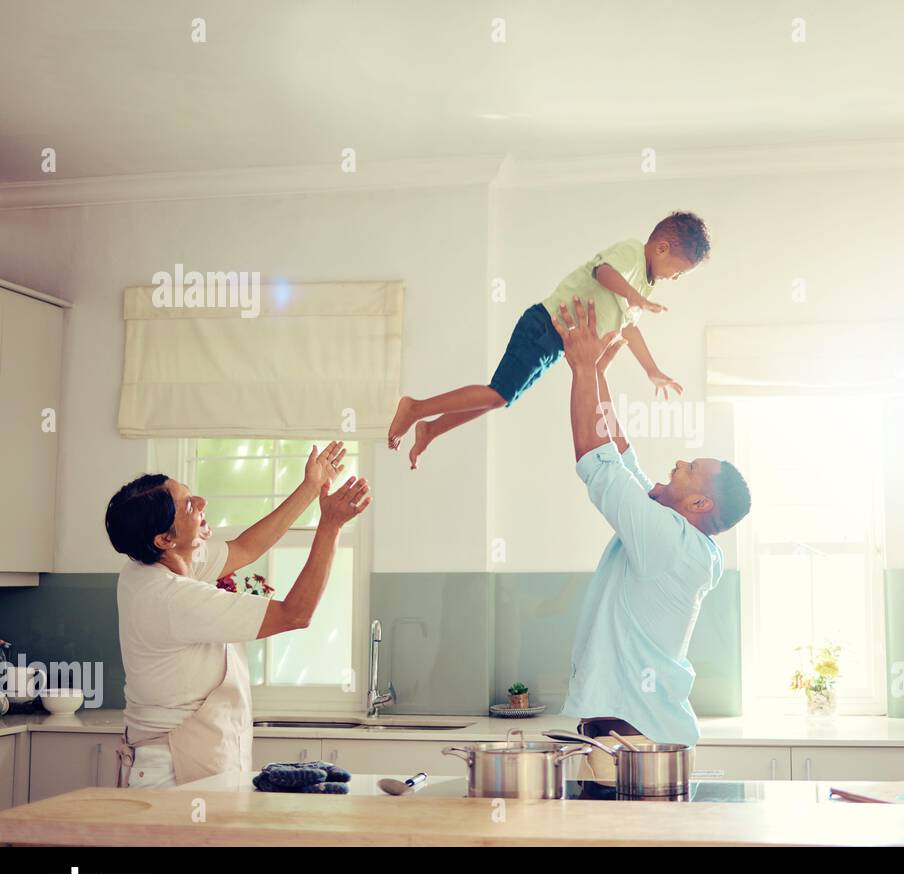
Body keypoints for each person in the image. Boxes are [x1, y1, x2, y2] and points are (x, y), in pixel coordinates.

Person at [550, 296, 751, 784]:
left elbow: (595, 461)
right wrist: (595, 371)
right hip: (640, 738)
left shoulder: (668, 541)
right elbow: (618, 449)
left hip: (630, 744)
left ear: (700, 505)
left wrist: (579, 366)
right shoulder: (683, 539)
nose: (679, 462)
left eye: (691, 469)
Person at [105, 442, 371, 788]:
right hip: (171, 770)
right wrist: (331, 526)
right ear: (164, 539)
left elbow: (246, 547)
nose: (201, 503)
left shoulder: (148, 567)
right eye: (188, 505)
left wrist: (310, 487)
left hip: (187, 756)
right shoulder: (173, 599)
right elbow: (295, 614)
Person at [386, 211, 710, 468]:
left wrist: (652, 370)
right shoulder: (630, 253)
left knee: (500, 397)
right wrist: (634, 297)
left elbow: (629, 329)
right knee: (499, 394)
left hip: (556, 345)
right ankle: (417, 409)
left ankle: (431, 429)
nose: (676, 278)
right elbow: (603, 273)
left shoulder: (646, 286)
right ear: (662, 248)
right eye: (678, 270)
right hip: (544, 325)